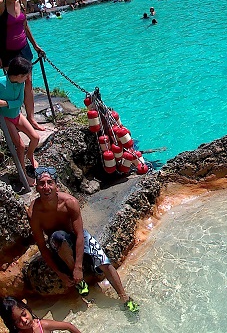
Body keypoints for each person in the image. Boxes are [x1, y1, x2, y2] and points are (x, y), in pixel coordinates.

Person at [28, 167, 139, 312]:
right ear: (36, 187)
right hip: (58, 243)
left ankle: (124, 297)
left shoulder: (69, 202)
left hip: (76, 236)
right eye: (42, 183)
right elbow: (42, 246)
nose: (46, 187)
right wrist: (61, 274)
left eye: (50, 182)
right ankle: (78, 282)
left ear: (56, 185)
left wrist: (79, 267)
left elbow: (80, 234)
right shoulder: (34, 212)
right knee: (57, 237)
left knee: (103, 260)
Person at [0, 0, 45, 132]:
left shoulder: (22, 1)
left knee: (28, 82)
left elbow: (25, 26)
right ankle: (15, 118)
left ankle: (31, 118)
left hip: (23, 47)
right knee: (12, 85)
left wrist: (35, 45)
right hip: (7, 50)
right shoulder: (1, 4)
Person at [0, 57, 40, 184]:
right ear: (18, 75)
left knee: (35, 138)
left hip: (16, 115)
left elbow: (19, 101)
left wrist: (4, 103)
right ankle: (22, 174)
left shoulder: (20, 83)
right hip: (6, 118)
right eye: (26, 76)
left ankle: (30, 155)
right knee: (20, 146)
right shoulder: (1, 83)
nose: (28, 78)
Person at [0, 297, 81, 333]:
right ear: (13, 324)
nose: (24, 320)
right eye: (18, 321)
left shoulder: (43, 326)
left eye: (24, 314)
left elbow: (68, 326)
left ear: (27, 308)